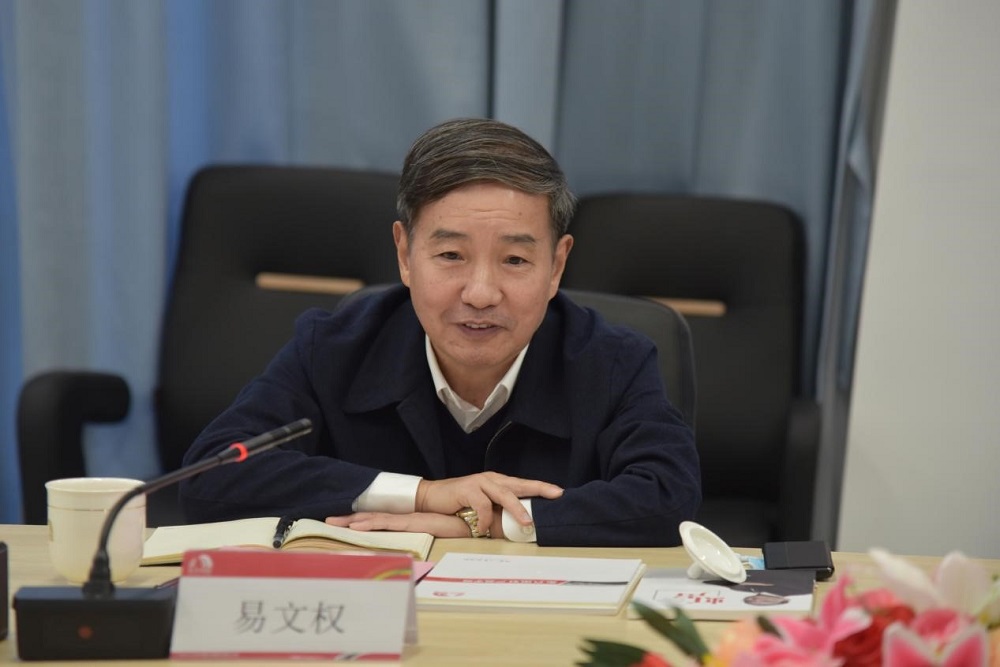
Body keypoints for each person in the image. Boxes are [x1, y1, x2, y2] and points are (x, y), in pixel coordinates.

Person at [179, 117, 701, 546]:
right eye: (451, 255)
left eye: (515, 260)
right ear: (406, 255)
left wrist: (485, 523)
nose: (481, 293)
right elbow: (209, 476)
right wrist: (423, 495)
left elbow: (668, 496)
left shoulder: (612, 361)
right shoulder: (336, 349)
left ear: (557, 266)